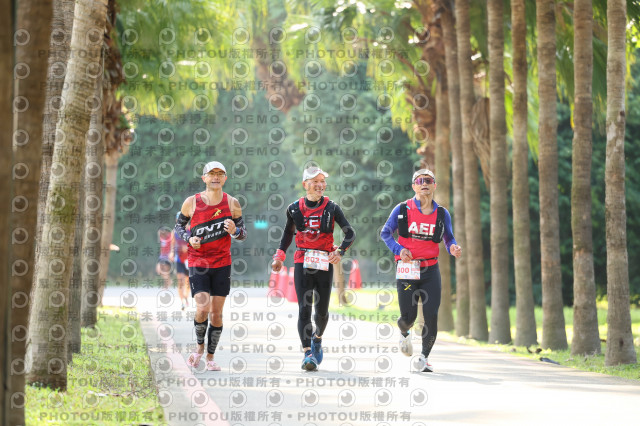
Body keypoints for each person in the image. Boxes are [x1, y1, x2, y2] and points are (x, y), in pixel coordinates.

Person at [271, 166, 355, 371]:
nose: (320, 185)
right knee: (304, 309)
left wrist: (340, 252)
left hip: (324, 263)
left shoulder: (332, 208)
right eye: (315, 181)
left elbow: (350, 233)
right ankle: (307, 353)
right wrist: (279, 256)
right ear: (305, 184)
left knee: (322, 312)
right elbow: (287, 234)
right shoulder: (294, 209)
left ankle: (317, 338)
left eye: (322, 181)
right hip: (302, 261)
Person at [380, 168, 462, 372]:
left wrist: (453, 247)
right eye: (419, 180)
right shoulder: (402, 209)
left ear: (435, 185)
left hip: (430, 269)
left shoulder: (442, 213)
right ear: (413, 186)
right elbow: (385, 233)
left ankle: (424, 358)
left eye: (428, 180)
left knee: (431, 314)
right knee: (408, 317)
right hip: (407, 270)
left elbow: (448, 237)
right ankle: (404, 333)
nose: (424, 183)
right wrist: (399, 249)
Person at [174, 161, 247, 371]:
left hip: (222, 263)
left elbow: (243, 234)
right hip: (198, 262)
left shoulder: (232, 203)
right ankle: (199, 348)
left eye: (220, 174)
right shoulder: (191, 202)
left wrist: (235, 231)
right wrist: (189, 238)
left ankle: (211, 357)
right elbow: (179, 226)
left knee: (216, 313)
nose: (216, 177)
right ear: (204, 178)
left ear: (225, 178)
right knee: (202, 308)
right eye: (212, 173)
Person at [172, 211, 191, 310]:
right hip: (179, 260)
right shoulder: (175, 232)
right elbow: (172, 244)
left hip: (189, 260)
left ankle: (186, 297)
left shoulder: (191, 230)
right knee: (180, 281)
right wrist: (171, 253)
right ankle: (182, 302)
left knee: (188, 282)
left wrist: (188, 248)